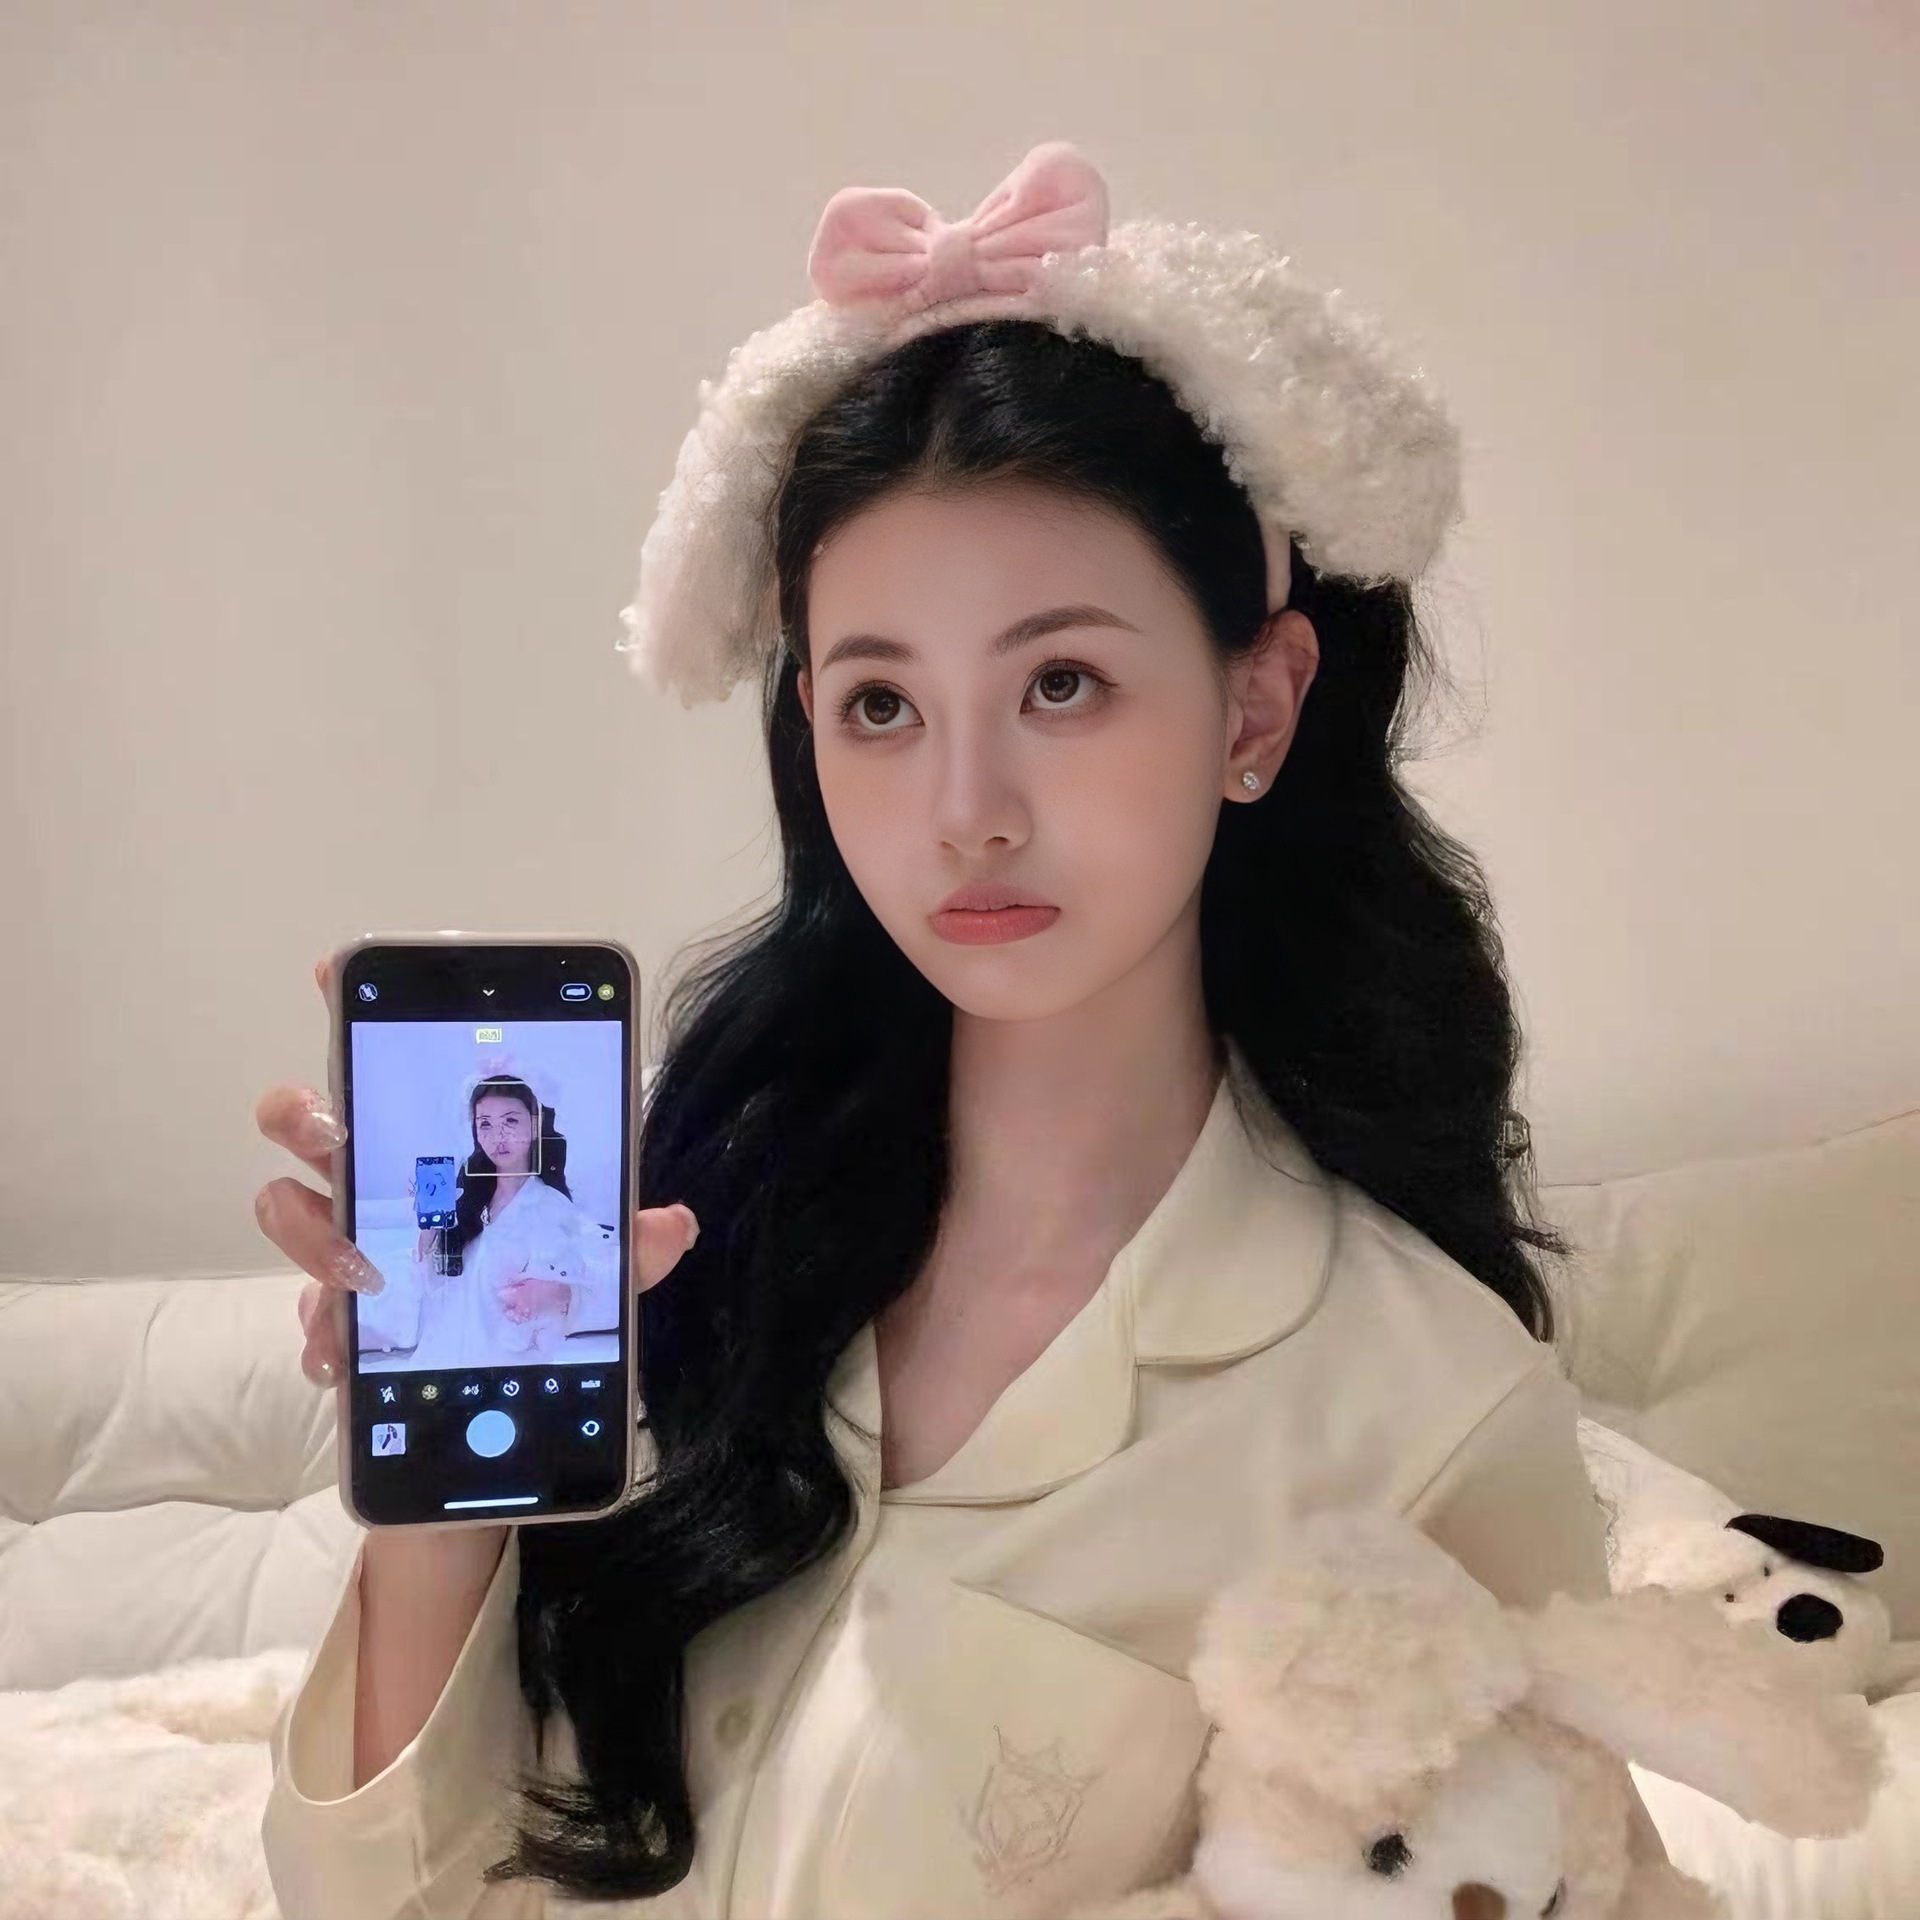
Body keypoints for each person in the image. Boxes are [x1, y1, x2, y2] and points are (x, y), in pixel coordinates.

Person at [250, 141, 1675, 1919]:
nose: (963, 811)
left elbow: (1576, 1881)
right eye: (879, 705)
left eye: (1060, 684)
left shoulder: (1422, 1408)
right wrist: (440, 1525)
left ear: (1256, 708)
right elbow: (401, 1896)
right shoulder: (680, 1238)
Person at [360, 1073, 622, 1370]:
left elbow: (570, 1299)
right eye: (485, 1124)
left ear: (534, 1125)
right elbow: (434, 1285)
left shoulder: (550, 1207)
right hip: (440, 1362)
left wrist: (547, 1297)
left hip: (504, 1373)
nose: (498, 1136)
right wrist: (430, 1229)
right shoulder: (467, 1199)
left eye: (510, 1121)